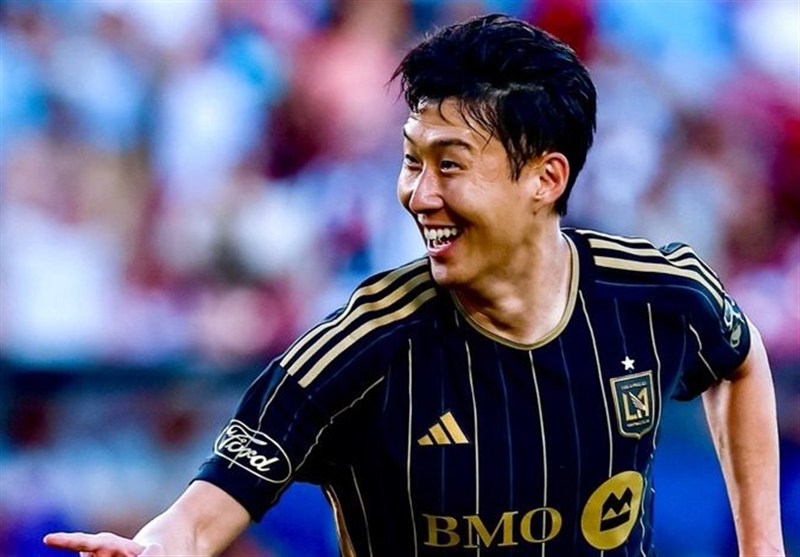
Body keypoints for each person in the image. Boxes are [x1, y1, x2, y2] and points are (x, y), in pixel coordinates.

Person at [44, 14, 785, 557]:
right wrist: (157, 546)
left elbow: (739, 355)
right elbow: (204, 511)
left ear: (545, 178)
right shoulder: (362, 346)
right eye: (410, 160)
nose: (418, 195)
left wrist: (762, 545)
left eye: (450, 165)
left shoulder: (656, 296)